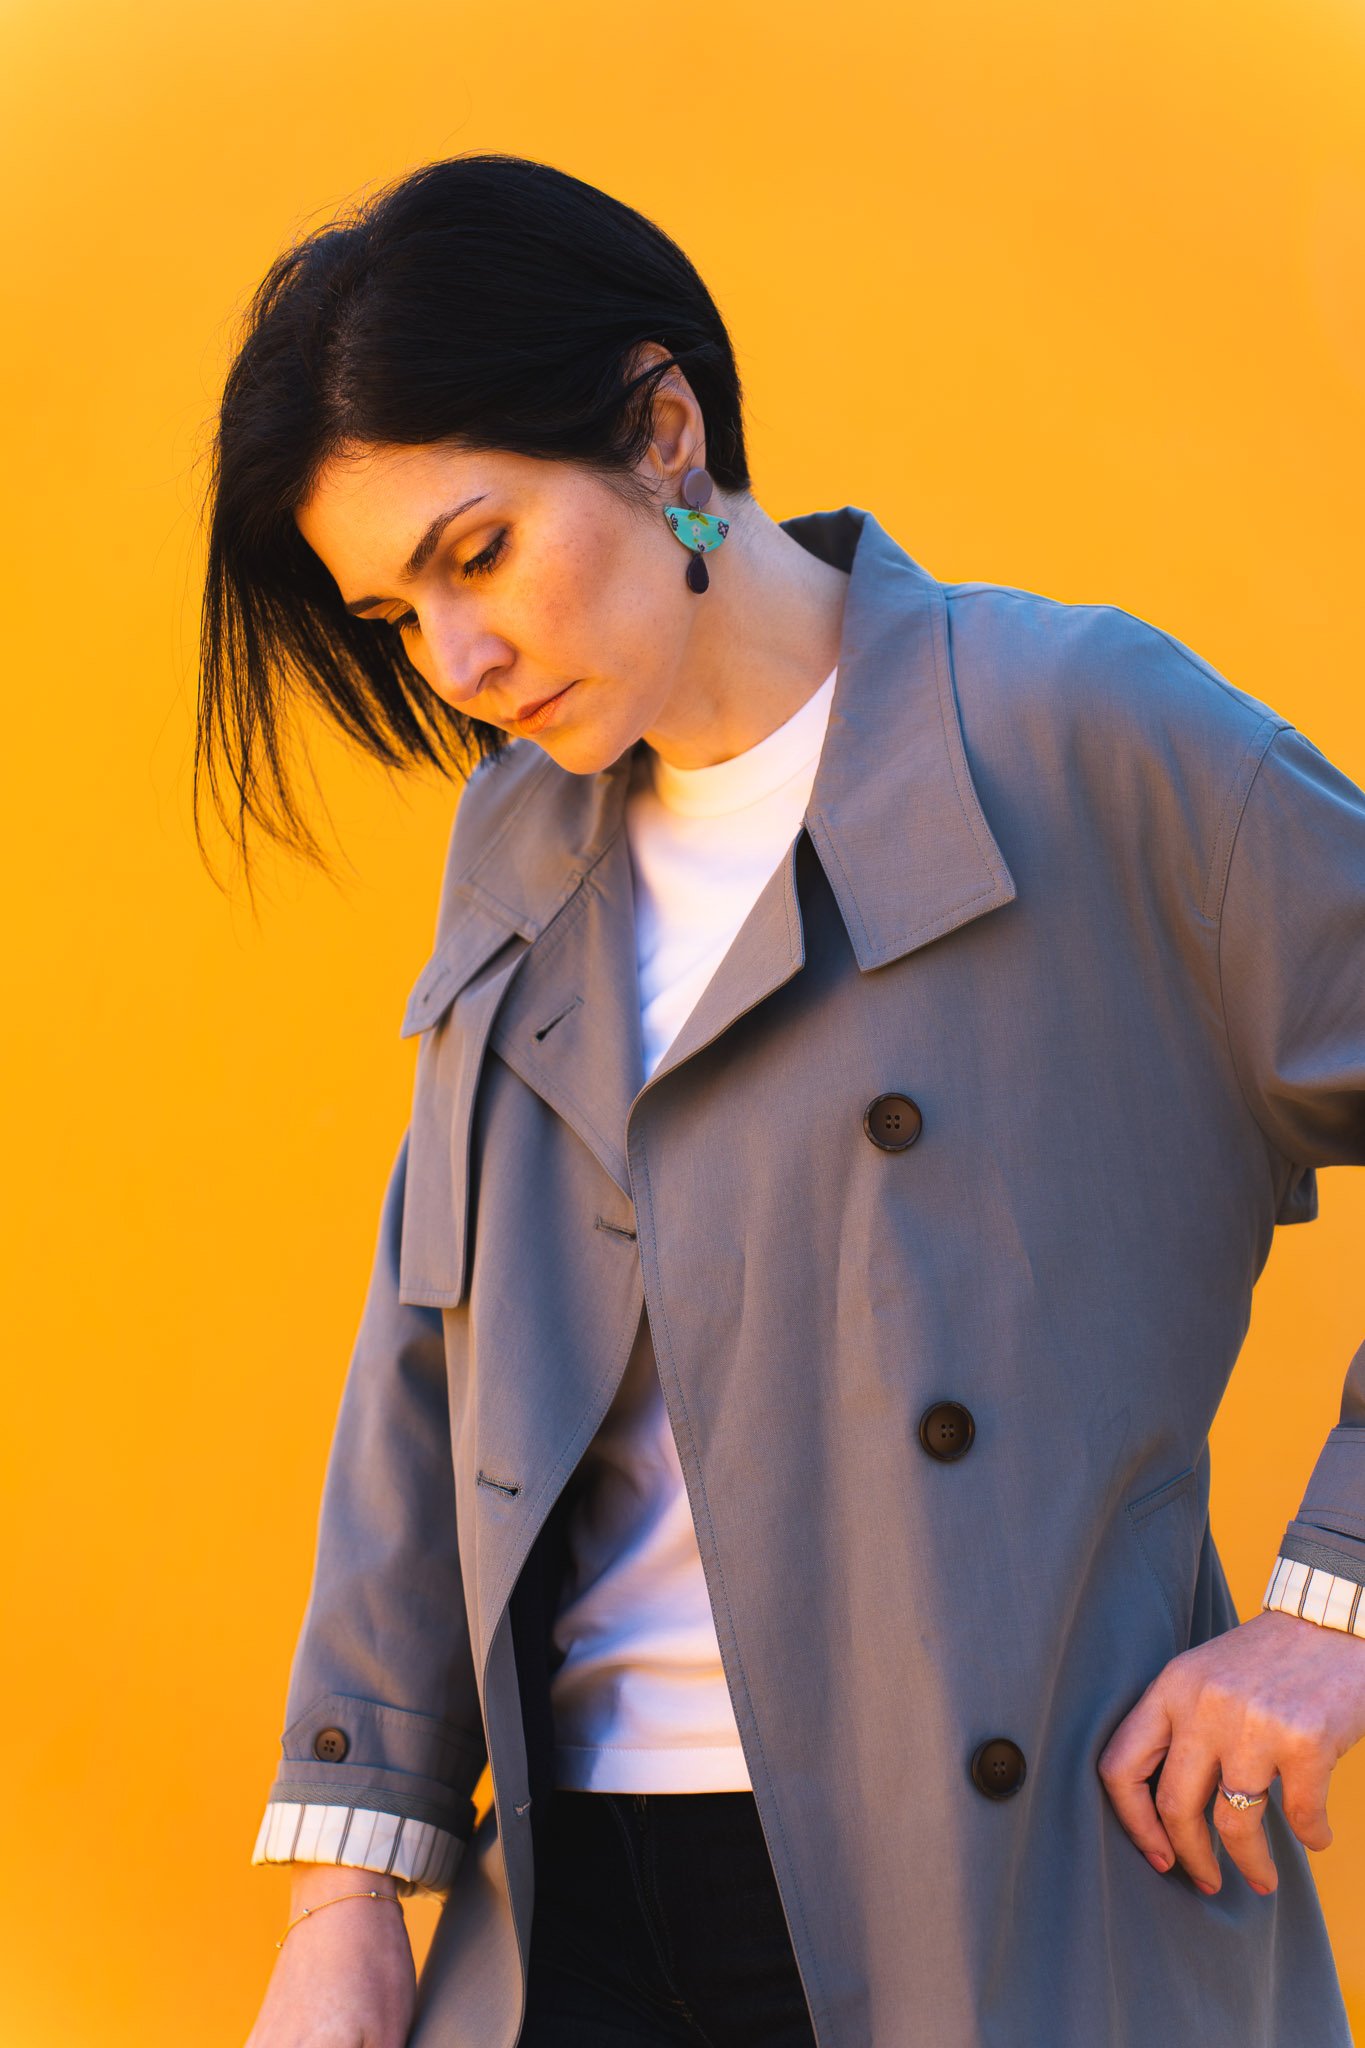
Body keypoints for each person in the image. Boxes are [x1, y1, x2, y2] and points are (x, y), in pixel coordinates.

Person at [198, 153, 1365, 2048]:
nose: (460, 664)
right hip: (566, 1910)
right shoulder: (523, 841)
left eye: (474, 552)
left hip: (997, 1910)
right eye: (394, 615)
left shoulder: (1072, 733)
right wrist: (347, 1896)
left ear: (665, 433)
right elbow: (433, 1353)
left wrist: (1333, 1618)